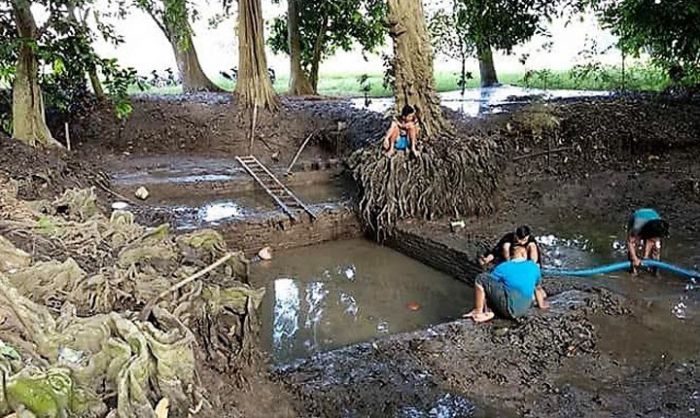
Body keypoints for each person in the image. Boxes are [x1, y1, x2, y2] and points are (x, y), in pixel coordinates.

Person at [464, 246, 547, 323]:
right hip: (524, 308)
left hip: (509, 309)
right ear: (525, 254)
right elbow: (537, 288)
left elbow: (489, 284)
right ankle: (491, 311)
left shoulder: (504, 266)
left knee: (481, 279)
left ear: (511, 256)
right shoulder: (533, 266)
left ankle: (480, 311)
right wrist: (542, 305)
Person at [627, 208, 669, 275]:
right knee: (636, 244)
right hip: (639, 216)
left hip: (653, 218)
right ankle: (633, 269)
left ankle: (655, 271)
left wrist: (646, 257)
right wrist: (635, 258)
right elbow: (630, 242)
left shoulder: (660, 226)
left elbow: (651, 241)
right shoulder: (637, 227)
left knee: (656, 248)